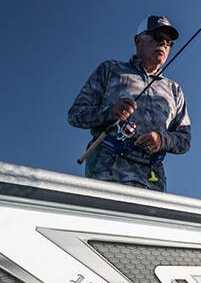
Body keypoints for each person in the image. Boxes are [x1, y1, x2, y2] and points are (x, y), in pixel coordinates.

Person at [68, 15, 191, 192]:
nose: (163, 44)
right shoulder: (110, 69)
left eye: (168, 42)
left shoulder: (175, 90)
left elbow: (185, 139)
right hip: (106, 175)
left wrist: (161, 140)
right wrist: (110, 112)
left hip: (152, 181)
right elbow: (75, 114)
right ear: (138, 40)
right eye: (157, 37)